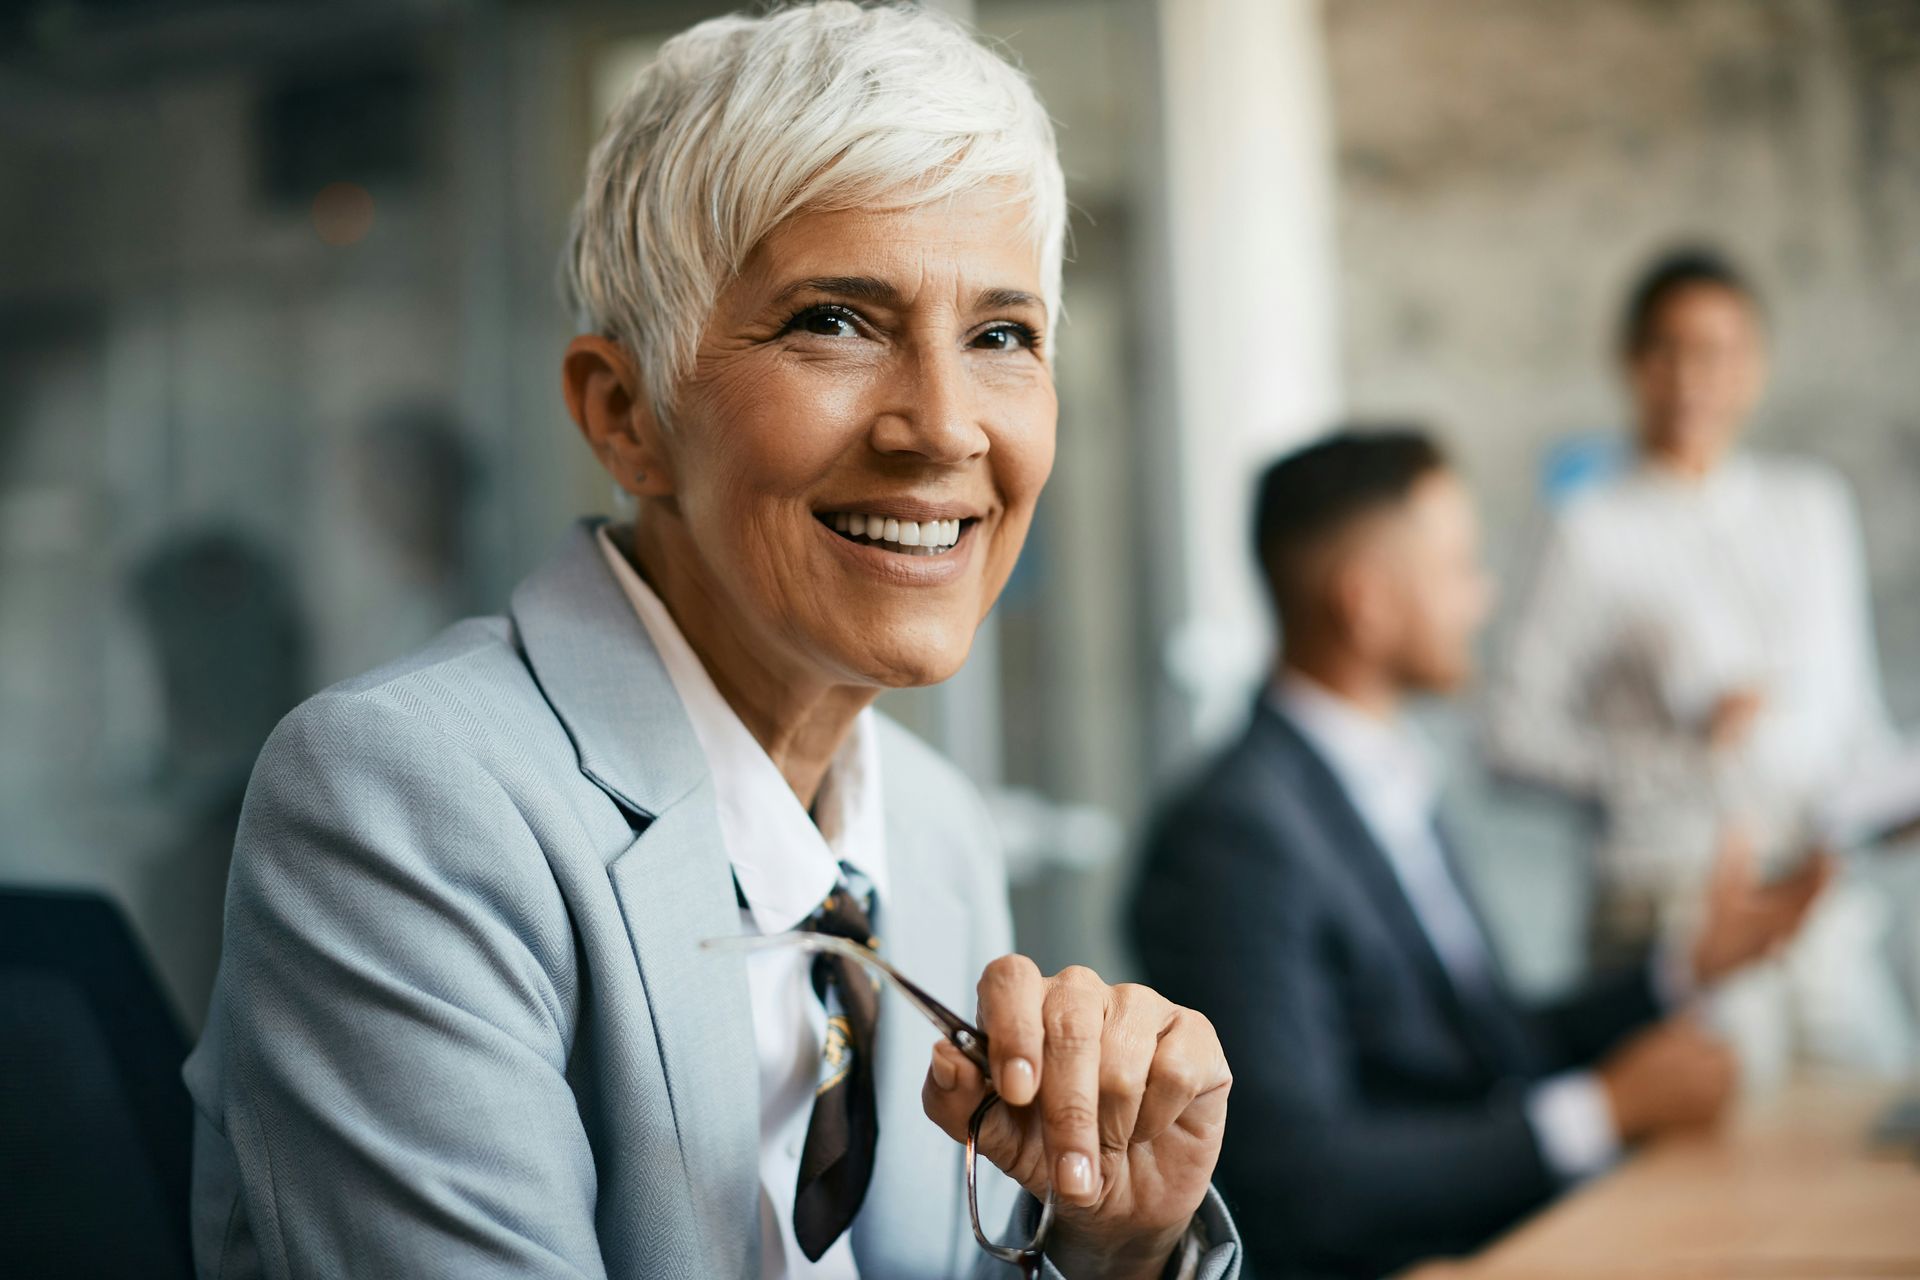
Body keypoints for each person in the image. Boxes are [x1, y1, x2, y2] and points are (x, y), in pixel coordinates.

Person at [184, 6, 1239, 1278]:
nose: (946, 427)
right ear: (625, 414)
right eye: (835, 322)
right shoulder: (401, 796)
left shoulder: (935, 827)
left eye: (1002, 335)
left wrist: (1112, 1248)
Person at [1130, 431, 1825, 1280]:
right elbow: (1296, 1180)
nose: (1483, 598)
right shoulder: (1234, 837)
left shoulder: (1383, 777)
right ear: (1369, 603)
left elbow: (1493, 1045)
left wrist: (1687, 967)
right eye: (1458, 568)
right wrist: (1603, 1113)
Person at [1482, 249, 1913, 1079]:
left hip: (1817, 904)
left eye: (1717, 352)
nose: (1689, 378)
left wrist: (1887, 802)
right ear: (1630, 363)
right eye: (1665, 350)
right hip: (1672, 907)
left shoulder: (1812, 508)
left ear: (1755, 366)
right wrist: (1677, 757)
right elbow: (1509, 736)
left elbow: (1851, 714)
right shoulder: (1587, 527)